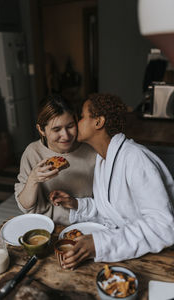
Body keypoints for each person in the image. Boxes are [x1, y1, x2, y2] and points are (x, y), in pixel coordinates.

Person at [49, 93, 174, 268]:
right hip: (123, 249)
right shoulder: (103, 159)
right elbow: (109, 210)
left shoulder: (135, 159)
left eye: (82, 117)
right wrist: (75, 204)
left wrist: (100, 244)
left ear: (98, 122)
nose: (76, 124)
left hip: (157, 256)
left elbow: (162, 227)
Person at [14, 94, 96, 225]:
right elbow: (25, 206)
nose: (66, 135)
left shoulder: (92, 151)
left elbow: (107, 203)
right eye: (56, 129)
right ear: (41, 130)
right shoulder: (32, 152)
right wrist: (33, 179)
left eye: (70, 126)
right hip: (47, 225)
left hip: (86, 223)